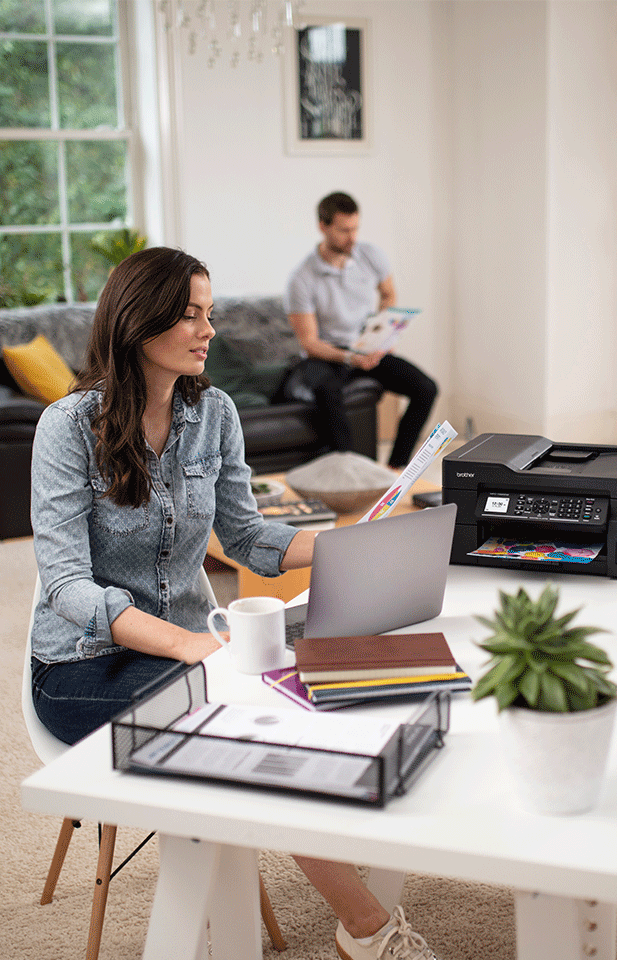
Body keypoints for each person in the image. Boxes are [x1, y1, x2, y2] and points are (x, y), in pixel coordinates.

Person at [29, 247, 439, 960]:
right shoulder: (67, 428)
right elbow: (66, 586)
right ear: (138, 322)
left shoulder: (213, 412)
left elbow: (246, 536)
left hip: (193, 656)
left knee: (316, 682)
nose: (207, 330)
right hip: (82, 669)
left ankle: (343, 863)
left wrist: (351, 543)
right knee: (237, 720)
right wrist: (188, 643)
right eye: (189, 315)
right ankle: (367, 929)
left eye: (208, 314)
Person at [283, 191, 438, 469]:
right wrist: (349, 358)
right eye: (344, 231)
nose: (352, 238)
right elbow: (309, 342)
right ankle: (351, 472)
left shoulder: (370, 255)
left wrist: (383, 332)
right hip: (327, 355)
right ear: (323, 226)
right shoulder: (301, 278)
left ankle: (394, 469)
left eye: (355, 228)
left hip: (364, 346)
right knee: (329, 392)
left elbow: (388, 293)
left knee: (426, 388)